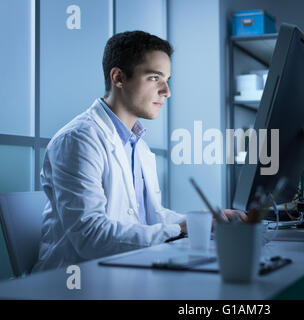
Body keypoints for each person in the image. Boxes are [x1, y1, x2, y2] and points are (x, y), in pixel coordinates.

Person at [33, 31, 244, 273]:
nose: (167, 91)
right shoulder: (78, 140)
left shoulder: (138, 145)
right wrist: (183, 228)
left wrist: (202, 221)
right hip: (75, 281)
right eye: (155, 78)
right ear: (119, 77)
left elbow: (149, 218)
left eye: (167, 79)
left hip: (124, 269)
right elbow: (90, 237)